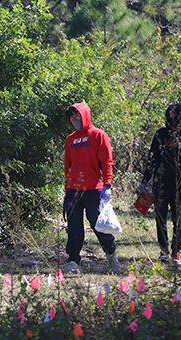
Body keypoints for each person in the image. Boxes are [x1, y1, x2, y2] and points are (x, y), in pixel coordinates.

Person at [139, 103, 181, 265]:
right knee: (160, 219)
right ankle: (163, 250)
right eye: (171, 116)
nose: (174, 119)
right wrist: (145, 180)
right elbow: (152, 159)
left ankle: (176, 252)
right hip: (160, 185)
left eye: (177, 116)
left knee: (178, 220)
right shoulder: (160, 135)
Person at [63, 103, 119, 274]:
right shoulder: (70, 139)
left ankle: (111, 254)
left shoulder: (98, 135)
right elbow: (68, 166)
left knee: (98, 225)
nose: (75, 120)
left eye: (77, 116)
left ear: (85, 115)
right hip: (74, 190)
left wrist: (107, 185)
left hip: (94, 189)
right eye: (72, 118)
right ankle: (73, 261)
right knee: (74, 228)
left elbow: (107, 162)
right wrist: (67, 190)